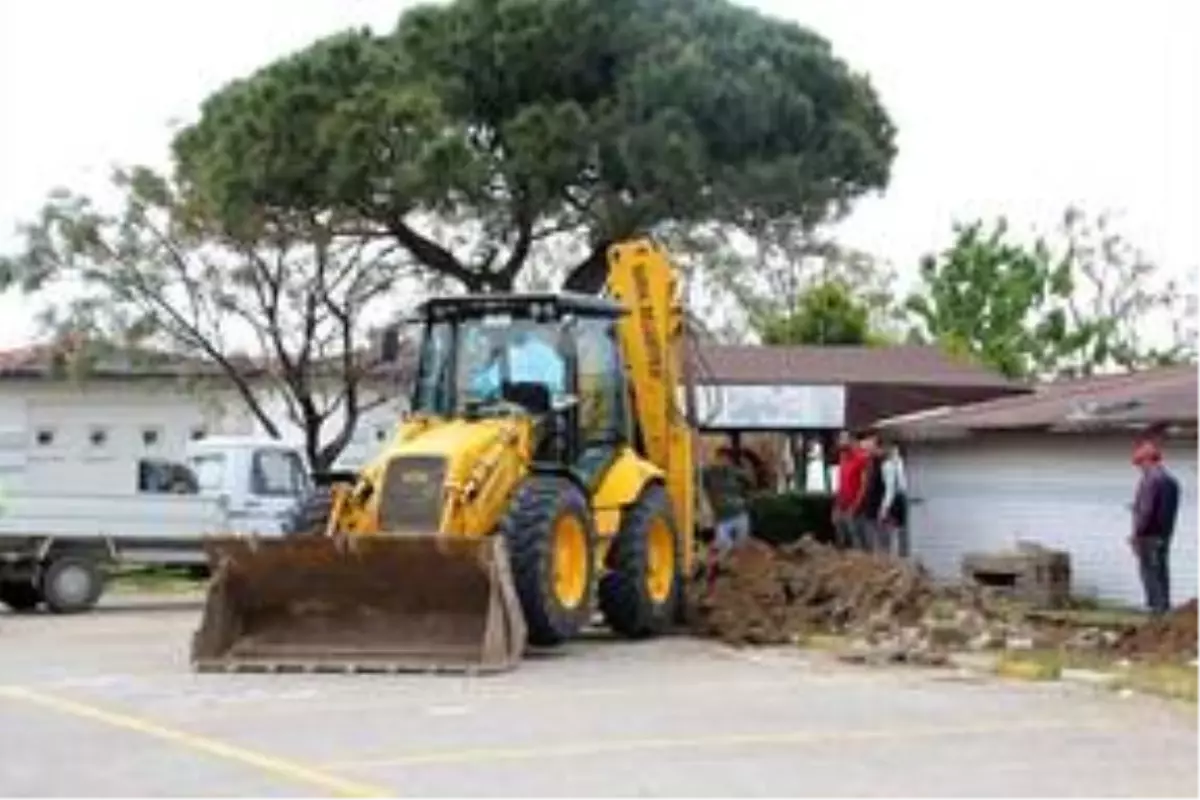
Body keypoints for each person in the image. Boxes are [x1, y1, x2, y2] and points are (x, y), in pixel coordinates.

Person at [1130, 437, 1180, 615]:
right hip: (1164, 533)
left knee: (1149, 571)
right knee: (1161, 569)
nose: (1139, 468)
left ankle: (1155, 607)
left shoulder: (1151, 480)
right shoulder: (1172, 481)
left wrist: (1136, 534)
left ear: (1147, 460)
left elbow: (1147, 510)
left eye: (1140, 464)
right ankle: (1163, 605)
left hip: (1149, 535)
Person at [702, 449, 754, 554]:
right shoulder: (708, 473)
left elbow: (751, 483)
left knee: (741, 547)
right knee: (725, 545)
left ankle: (737, 567)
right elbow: (694, 478)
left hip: (739, 514)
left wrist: (745, 501)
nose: (722, 461)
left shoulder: (735, 472)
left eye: (725, 459)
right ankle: (721, 564)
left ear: (729, 461)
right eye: (720, 459)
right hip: (722, 517)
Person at [832, 430, 869, 549]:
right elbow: (841, 483)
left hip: (854, 507)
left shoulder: (861, 458)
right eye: (840, 439)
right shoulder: (842, 457)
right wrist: (837, 505)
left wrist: (855, 506)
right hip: (841, 504)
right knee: (840, 536)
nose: (841, 442)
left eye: (844, 439)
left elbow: (864, 486)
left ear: (851, 440)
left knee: (855, 538)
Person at [853, 430, 888, 553]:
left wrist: (884, 509)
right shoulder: (870, 461)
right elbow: (866, 486)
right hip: (870, 510)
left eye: (868, 441)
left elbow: (889, 488)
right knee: (870, 544)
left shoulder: (884, 462)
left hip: (880, 510)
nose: (864, 445)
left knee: (882, 545)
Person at [878, 437, 910, 557]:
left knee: (892, 533)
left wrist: (884, 508)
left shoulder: (887, 465)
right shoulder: (900, 461)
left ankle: (893, 557)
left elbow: (890, 489)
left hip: (894, 501)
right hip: (902, 499)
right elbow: (903, 484)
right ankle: (902, 556)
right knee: (901, 532)